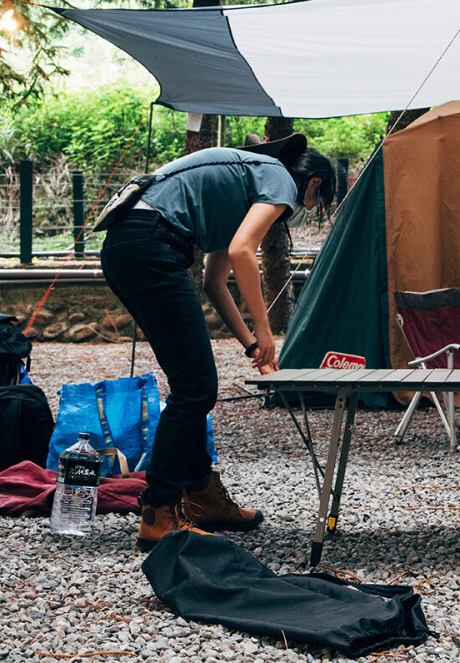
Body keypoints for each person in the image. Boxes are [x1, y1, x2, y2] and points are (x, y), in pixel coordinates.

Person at [100, 134, 336, 551]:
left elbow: (214, 280)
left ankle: (203, 496)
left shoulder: (242, 188)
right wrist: (267, 333)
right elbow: (246, 253)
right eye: (315, 202)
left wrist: (252, 345)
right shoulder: (279, 178)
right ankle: (159, 511)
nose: (301, 212)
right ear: (313, 183)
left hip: (128, 243)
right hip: (150, 242)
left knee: (192, 383)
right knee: (195, 388)